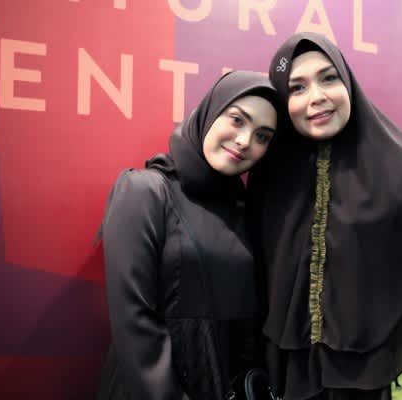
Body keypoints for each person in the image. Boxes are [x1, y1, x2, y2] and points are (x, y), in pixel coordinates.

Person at [247, 32, 402, 400]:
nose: (317, 97)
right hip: (297, 383)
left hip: (390, 381)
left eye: (329, 78)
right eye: (297, 87)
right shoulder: (269, 179)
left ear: (349, 83)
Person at [95, 71, 278, 400]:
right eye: (237, 120)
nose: (244, 140)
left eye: (262, 136)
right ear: (210, 112)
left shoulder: (246, 211)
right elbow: (134, 321)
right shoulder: (145, 190)